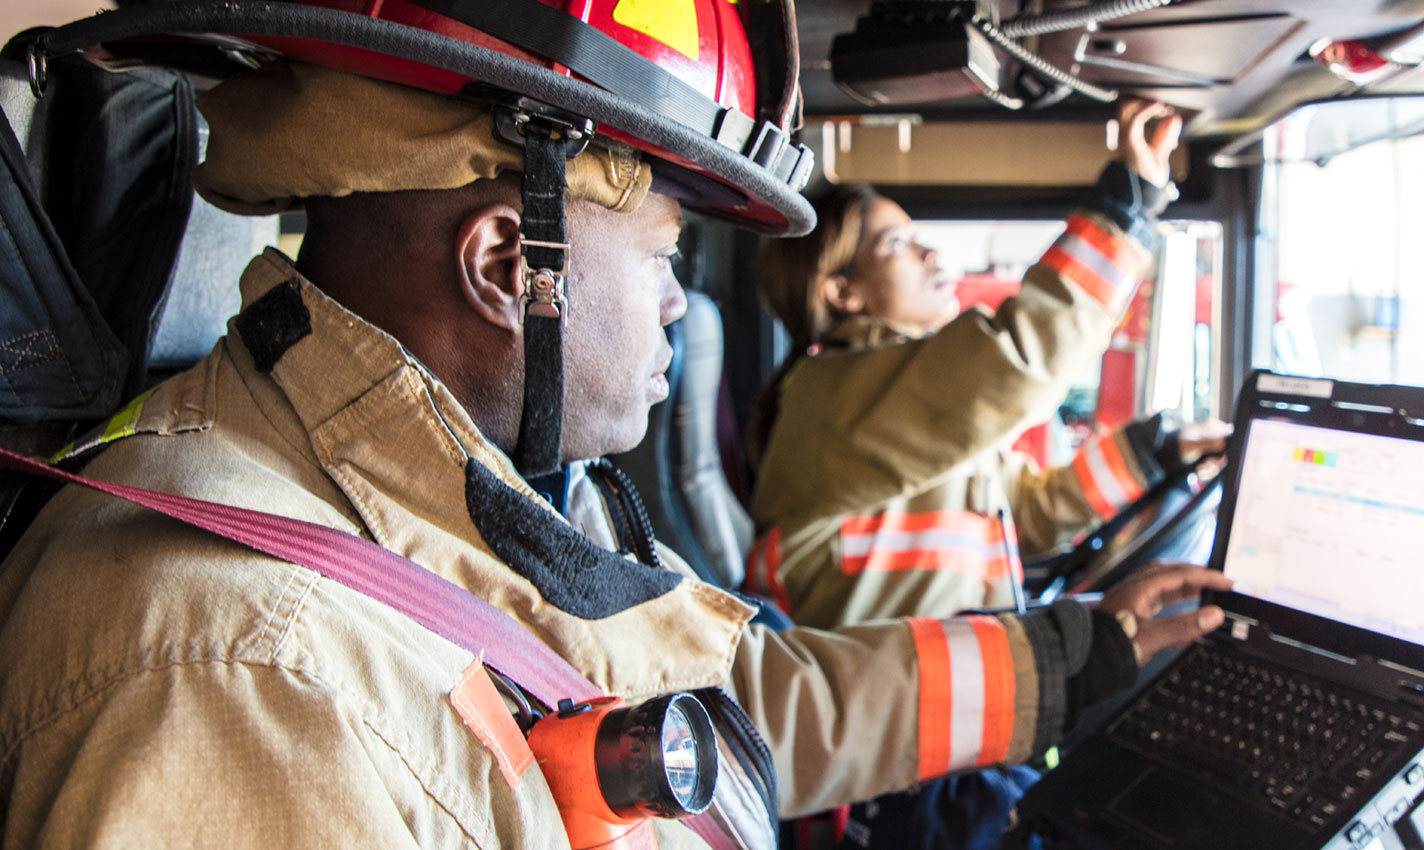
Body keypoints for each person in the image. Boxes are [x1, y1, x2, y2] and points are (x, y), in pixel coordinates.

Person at [0, 4, 1231, 848]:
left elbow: (725, 709)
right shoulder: (241, 669)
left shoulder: (481, 494)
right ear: (504, 264)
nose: (675, 314)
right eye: (659, 258)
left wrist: (1077, 663)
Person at [747, 100, 1228, 631]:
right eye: (898, 244)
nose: (930, 253)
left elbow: (1029, 512)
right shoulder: (826, 398)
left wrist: (1154, 451)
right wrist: (1124, 212)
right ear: (843, 292)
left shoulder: (894, 397)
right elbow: (1017, 360)